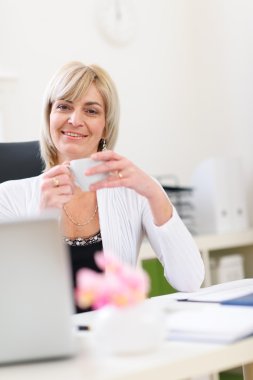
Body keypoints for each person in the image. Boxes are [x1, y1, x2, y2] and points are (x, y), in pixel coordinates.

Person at [0, 61, 205, 312]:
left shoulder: (134, 193)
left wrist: (154, 192)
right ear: (49, 116)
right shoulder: (8, 198)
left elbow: (190, 280)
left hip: (116, 339)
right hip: (45, 345)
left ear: (105, 125)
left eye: (91, 111)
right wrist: (44, 217)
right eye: (64, 106)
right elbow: (16, 301)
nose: (75, 120)